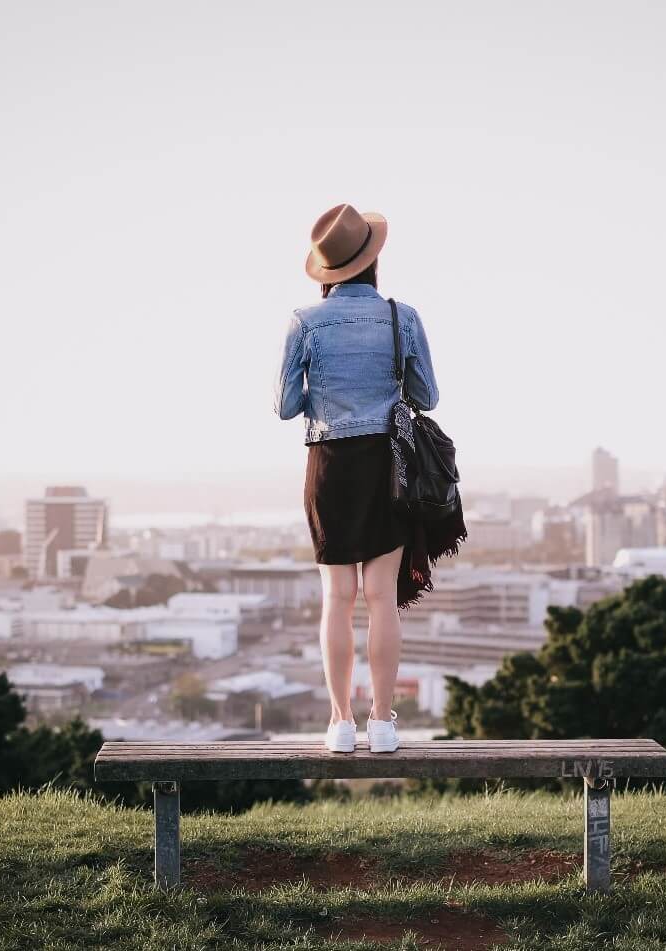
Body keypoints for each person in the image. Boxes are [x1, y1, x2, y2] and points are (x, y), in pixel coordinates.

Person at [273, 203, 448, 754]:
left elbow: (284, 405)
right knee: (380, 598)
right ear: (373, 261)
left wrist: (323, 393)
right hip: (385, 464)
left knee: (337, 598)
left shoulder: (304, 321)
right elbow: (428, 397)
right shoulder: (403, 316)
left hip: (328, 465)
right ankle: (384, 723)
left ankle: (340, 723)